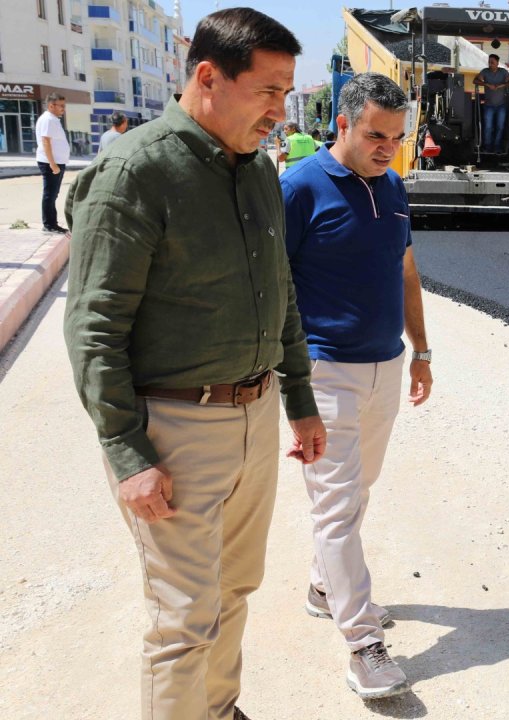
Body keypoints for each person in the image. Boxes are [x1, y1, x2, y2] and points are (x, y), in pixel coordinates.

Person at [62, 9, 325, 720]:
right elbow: (93, 325)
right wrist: (126, 450)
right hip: (175, 430)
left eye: (286, 92)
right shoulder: (135, 171)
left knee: (236, 588)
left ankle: (216, 710)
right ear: (208, 77)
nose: (281, 110)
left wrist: (298, 399)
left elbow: (282, 294)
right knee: (184, 615)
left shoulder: (260, 172)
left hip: (256, 415)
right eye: (268, 91)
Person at [281, 72, 433, 699]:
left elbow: (406, 274)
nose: (387, 148)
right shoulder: (298, 189)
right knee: (338, 506)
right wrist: (289, 386)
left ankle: (324, 585)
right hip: (325, 373)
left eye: (397, 137)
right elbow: (275, 289)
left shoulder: (394, 187)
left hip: (386, 367)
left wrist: (421, 351)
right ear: (340, 125)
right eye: (376, 135)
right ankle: (362, 644)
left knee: (359, 490)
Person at [35, 93, 70, 233]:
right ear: (51, 105)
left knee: (53, 194)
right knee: (50, 194)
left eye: (64, 106)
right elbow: (46, 142)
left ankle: (52, 223)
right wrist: (53, 164)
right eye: (61, 106)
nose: (63, 109)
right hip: (51, 163)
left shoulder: (53, 119)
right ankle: (49, 225)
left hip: (56, 162)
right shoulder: (48, 120)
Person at [475, 53, 509, 153]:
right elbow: (475, 81)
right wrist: (487, 84)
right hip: (488, 105)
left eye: (492, 62)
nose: (490, 64)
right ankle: (487, 147)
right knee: (488, 127)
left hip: (501, 105)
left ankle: (497, 146)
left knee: (500, 127)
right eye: (489, 62)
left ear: (497, 63)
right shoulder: (485, 71)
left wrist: (501, 85)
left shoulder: (503, 72)